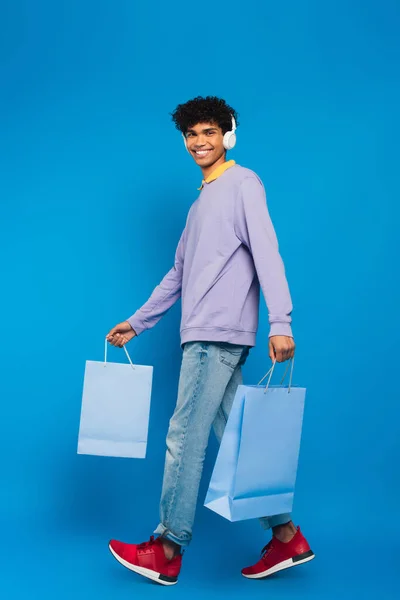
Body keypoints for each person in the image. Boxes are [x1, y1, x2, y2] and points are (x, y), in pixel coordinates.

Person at [106, 96, 315, 586]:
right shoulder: (201, 203)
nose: (200, 142)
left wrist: (280, 321)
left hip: (213, 339)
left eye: (209, 132)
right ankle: (286, 537)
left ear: (228, 135)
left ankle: (167, 547)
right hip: (203, 335)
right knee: (237, 442)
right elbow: (177, 275)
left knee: (184, 439)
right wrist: (138, 323)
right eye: (191, 135)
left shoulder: (244, 184)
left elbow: (268, 252)